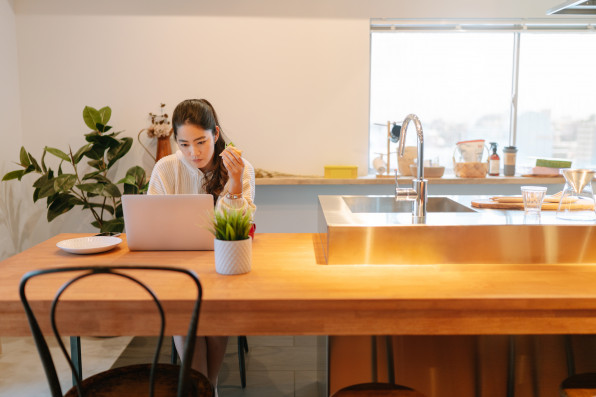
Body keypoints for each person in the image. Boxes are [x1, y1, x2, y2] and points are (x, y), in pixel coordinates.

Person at [147, 98, 256, 393]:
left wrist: (233, 183)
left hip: (223, 267)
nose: (192, 153)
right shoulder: (166, 168)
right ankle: (207, 388)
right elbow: (150, 224)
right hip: (177, 269)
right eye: (183, 144)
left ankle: (206, 386)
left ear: (216, 135)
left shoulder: (240, 168)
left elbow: (236, 229)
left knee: (214, 313)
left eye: (200, 142)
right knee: (186, 317)